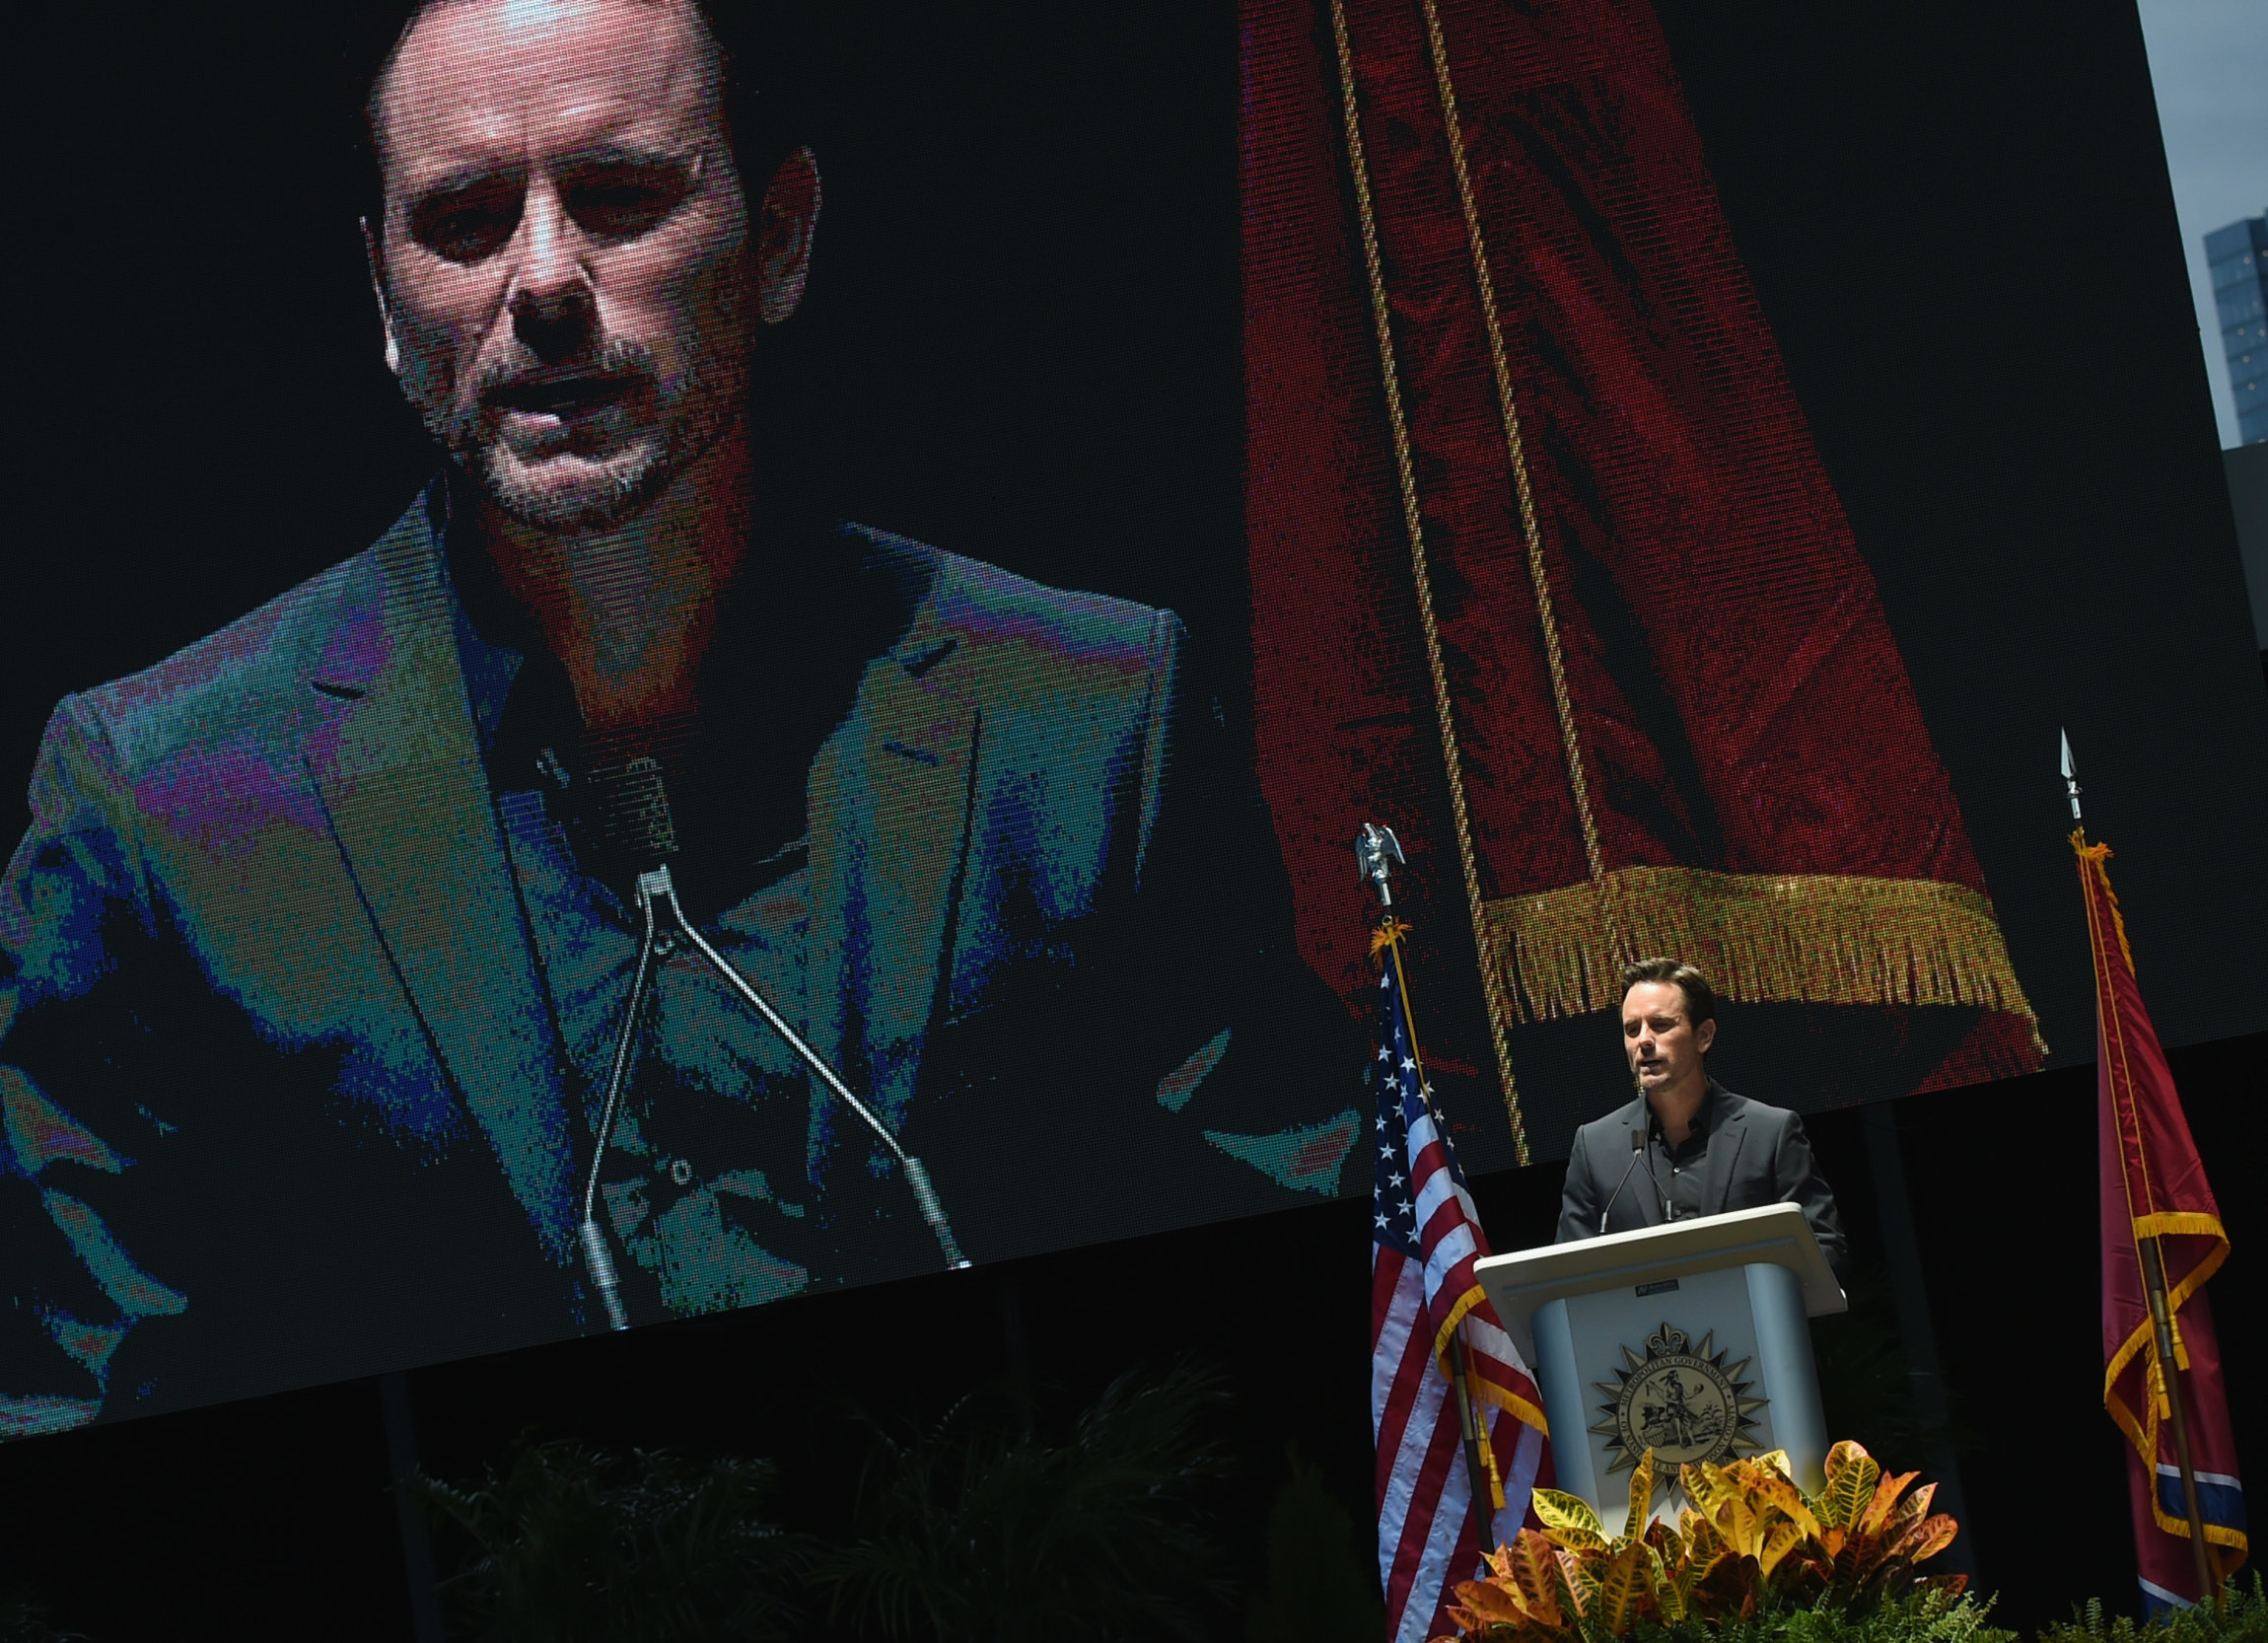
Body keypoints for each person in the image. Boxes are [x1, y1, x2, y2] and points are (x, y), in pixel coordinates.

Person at [0, 0, 1362, 1437]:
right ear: (386, 303)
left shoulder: (1082, 726)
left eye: (620, 196)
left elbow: (1317, 1329)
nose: (541, 280)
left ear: (781, 237)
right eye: (462, 219)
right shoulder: (160, 814)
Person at [1555, 958, 1845, 1275]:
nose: (1643, 1041)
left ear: (1703, 1036)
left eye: (1661, 1025)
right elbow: (1568, 1269)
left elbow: (1823, 1247)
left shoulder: (1770, 1132)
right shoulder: (1595, 1146)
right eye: (1632, 1029)